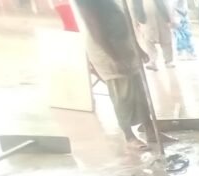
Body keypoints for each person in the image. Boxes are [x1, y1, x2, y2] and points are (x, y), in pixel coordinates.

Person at [74, 0, 173, 150]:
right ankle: (129, 137)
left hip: (124, 45)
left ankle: (150, 130)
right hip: (107, 50)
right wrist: (115, 57)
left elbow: (126, 23)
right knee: (122, 95)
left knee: (139, 90)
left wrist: (138, 48)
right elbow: (95, 28)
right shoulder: (87, 3)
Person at [131, 0, 175, 70]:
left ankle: (168, 61)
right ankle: (152, 62)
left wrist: (170, 19)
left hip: (162, 18)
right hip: (146, 20)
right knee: (148, 40)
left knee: (166, 40)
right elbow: (134, 8)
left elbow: (166, 4)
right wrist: (136, 22)